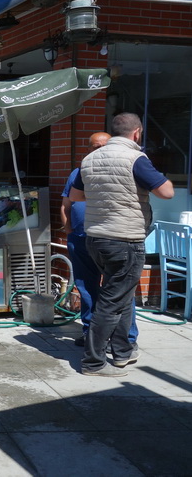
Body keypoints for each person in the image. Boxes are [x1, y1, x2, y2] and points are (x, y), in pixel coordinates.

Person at [69, 113, 174, 377]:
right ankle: (93, 362)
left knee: (122, 295)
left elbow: (76, 196)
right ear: (137, 133)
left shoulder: (89, 159)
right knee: (112, 301)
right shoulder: (135, 158)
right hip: (124, 239)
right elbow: (167, 192)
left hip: (95, 237)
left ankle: (122, 352)